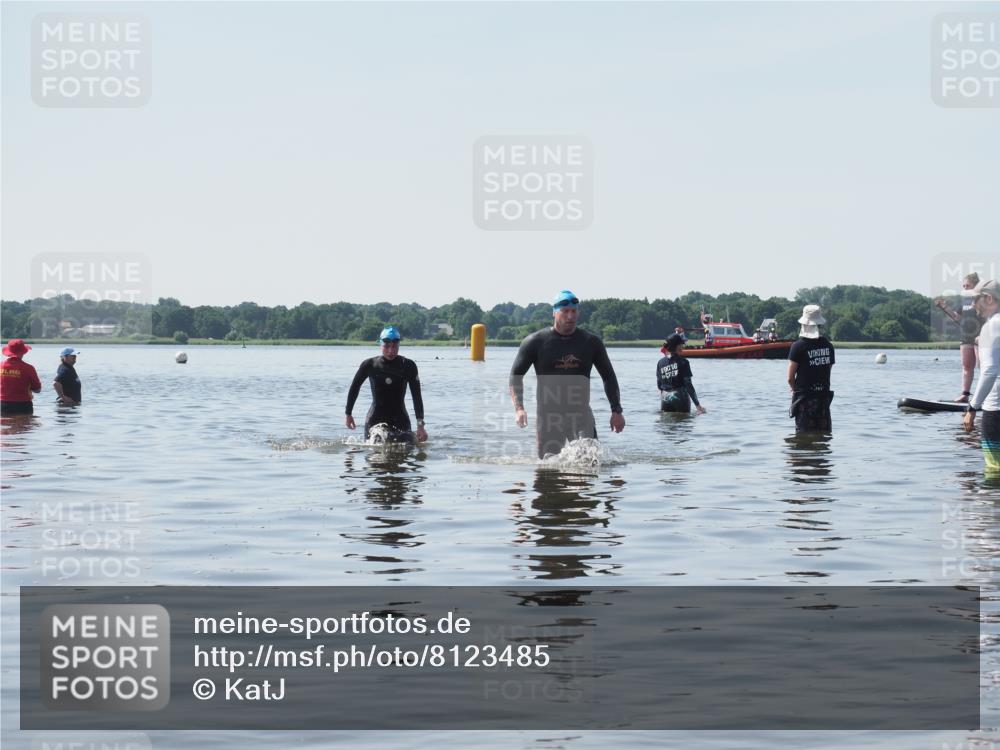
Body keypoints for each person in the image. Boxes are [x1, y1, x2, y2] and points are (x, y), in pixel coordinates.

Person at [509, 290, 625, 459]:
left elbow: (608, 376)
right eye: (565, 311)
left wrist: (616, 410)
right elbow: (516, 375)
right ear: (554, 312)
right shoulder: (535, 342)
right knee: (547, 471)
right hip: (548, 416)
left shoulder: (591, 342)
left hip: (581, 414)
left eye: (574, 311)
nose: (570, 316)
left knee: (588, 463)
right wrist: (519, 408)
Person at [345, 326, 427, 444]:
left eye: (394, 347)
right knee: (376, 452)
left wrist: (420, 426)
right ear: (380, 344)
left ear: (399, 345)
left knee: (407, 451)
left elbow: (417, 396)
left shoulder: (408, 366)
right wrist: (348, 414)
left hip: (400, 419)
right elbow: (354, 388)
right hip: (375, 419)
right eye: (387, 346)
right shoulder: (370, 365)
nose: (390, 351)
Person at [963, 280, 1000, 473]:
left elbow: (990, 372)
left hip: (996, 410)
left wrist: (972, 407)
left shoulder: (991, 326)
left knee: (995, 469)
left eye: (975, 300)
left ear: (989, 298)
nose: (972, 305)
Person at [787, 305, 835, 432]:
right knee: (823, 439)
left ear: (803, 323)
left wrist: (793, 389)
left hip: (804, 400)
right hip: (823, 400)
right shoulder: (828, 345)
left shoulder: (797, 346)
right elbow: (827, 370)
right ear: (819, 324)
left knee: (803, 439)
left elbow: (790, 378)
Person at [935, 272, 981, 402]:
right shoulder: (964, 300)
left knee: (982, 367)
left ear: (976, 286)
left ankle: (988, 395)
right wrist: (944, 307)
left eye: (968, 286)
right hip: (966, 336)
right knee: (967, 367)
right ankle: (965, 395)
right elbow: (958, 318)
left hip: (981, 337)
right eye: (964, 286)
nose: (965, 288)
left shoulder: (983, 300)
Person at [657, 333, 706, 414]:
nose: (683, 347)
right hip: (680, 397)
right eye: (681, 344)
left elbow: (659, 385)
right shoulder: (684, 362)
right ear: (677, 346)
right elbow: (688, 385)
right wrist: (698, 406)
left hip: (665, 398)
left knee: (666, 424)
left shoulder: (660, 363)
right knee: (683, 423)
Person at [0, 339, 42, 416]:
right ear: (23, 352)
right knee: (24, 426)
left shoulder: (1, 366)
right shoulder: (28, 368)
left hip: (3, 405)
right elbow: (37, 389)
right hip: (23, 405)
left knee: (5, 427)